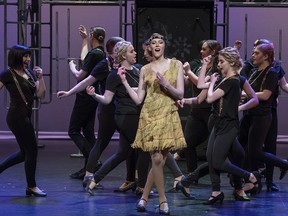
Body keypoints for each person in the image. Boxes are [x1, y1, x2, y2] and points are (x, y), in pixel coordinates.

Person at [118, 33, 186, 215]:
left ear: (164, 46)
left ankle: (144, 198)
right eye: (154, 43)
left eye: (160, 42)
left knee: (160, 161)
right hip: (149, 115)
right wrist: (124, 82)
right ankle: (163, 201)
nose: (157, 45)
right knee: (156, 159)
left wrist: (166, 84)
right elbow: (139, 99)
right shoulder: (145, 69)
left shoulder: (176, 65)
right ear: (149, 47)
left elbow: (180, 94)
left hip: (168, 114)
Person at [85, 40, 150, 196]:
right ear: (122, 55)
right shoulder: (114, 75)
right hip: (125, 116)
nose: (135, 53)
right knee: (144, 149)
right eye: (131, 51)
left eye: (134, 50)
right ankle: (142, 186)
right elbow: (107, 99)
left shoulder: (139, 69)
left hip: (136, 114)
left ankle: (94, 180)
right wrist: (94, 95)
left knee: (122, 153)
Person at [58, 36, 124, 188]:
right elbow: (86, 80)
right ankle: (89, 176)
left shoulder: (124, 65)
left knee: (130, 146)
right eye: (121, 48)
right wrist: (69, 92)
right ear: (112, 51)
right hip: (107, 109)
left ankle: (132, 180)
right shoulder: (104, 64)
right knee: (100, 143)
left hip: (122, 109)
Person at [238, 42, 288, 192]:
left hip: (263, 113)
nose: (253, 55)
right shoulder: (253, 71)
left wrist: (245, 95)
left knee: (259, 149)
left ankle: (280, 168)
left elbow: (267, 94)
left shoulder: (273, 71)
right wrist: (244, 97)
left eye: (256, 52)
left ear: (266, 55)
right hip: (251, 113)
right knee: (244, 147)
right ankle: (252, 180)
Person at [0, 44, 46, 197]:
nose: (28, 59)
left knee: (23, 153)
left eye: (29, 56)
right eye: (25, 56)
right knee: (31, 151)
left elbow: (40, 94)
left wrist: (41, 77)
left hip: (25, 115)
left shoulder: (30, 73)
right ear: (17, 57)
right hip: (16, 116)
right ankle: (31, 186)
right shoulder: (8, 74)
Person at [67, 25, 106, 179]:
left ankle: (93, 161)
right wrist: (84, 40)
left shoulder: (94, 54)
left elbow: (79, 75)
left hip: (84, 96)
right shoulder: (100, 53)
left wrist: (71, 67)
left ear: (93, 37)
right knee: (88, 132)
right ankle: (88, 168)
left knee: (73, 130)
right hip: (93, 95)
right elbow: (85, 59)